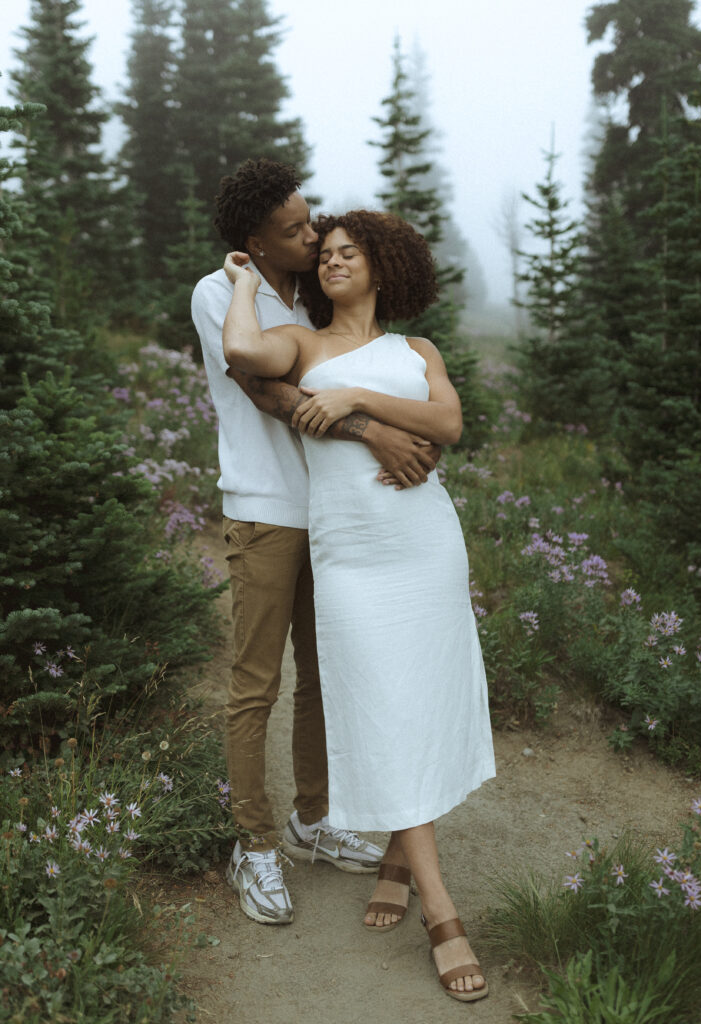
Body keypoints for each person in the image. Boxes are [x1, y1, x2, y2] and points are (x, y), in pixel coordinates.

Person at [221, 209, 496, 1002]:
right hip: (351, 557)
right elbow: (243, 350)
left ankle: (402, 863)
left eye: (351, 253)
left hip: (423, 545)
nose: (334, 261)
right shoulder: (301, 343)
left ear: (384, 266)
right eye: (326, 254)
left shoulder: (416, 350)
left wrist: (348, 399)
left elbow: (447, 422)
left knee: (424, 698)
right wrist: (243, 278)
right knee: (380, 704)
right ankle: (440, 911)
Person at [191, 159, 441, 927]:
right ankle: (254, 844)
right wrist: (375, 433)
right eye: (295, 229)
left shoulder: (315, 293)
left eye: (310, 221)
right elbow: (268, 393)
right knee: (255, 681)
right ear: (254, 241)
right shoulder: (218, 291)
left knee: (324, 675)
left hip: (336, 515)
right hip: (268, 509)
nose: (312, 234)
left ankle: (312, 818)